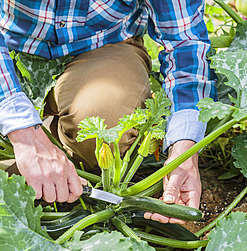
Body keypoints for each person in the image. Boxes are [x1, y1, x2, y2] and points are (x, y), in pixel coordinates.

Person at [0, 0, 216, 224]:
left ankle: (36, 156)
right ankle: (39, 152)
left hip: (102, 48)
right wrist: (26, 137)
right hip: (10, 54)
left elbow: (185, 42)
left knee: (106, 129)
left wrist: (184, 151)